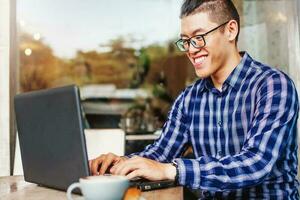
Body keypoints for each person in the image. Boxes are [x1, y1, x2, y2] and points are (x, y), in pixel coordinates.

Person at [90, 0, 299, 199]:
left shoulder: (273, 86)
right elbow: (161, 153)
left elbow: (255, 164)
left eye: (198, 37)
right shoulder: (189, 99)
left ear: (230, 30)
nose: (190, 49)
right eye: (186, 40)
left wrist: (172, 170)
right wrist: (120, 163)